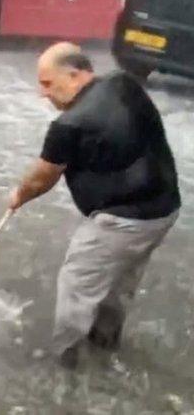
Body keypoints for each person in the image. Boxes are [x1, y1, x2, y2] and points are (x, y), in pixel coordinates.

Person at [9, 42, 181, 369]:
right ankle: (105, 345)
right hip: (164, 210)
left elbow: (41, 178)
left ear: (75, 75)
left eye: (47, 83)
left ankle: (64, 365)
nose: (42, 93)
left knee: (78, 282)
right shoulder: (125, 84)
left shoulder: (69, 124)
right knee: (120, 281)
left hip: (123, 221)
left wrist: (19, 196)